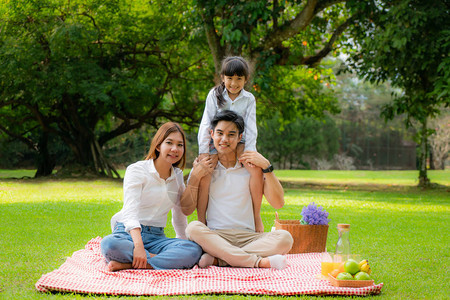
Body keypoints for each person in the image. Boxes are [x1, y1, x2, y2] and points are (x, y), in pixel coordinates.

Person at [182, 110, 293, 270]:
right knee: (192, 228)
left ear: (240, 137)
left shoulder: (251, 168)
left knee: (285, 238)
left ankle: (221, 260)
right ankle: (257, 262)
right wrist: (194, 178)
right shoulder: (205, 168)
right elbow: (186, 209)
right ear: (212, 134)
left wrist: (267, 166)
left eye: (231, 134)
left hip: (249, 236)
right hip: (216, 236)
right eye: (220, 133)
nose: (225, 139)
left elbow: (278, 203)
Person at [100, 122, 202, 271]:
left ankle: (130, 264)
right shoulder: (136, 170)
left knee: (193, 249)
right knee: (109, 244)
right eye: (169, 143)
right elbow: (130, 211)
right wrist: (138, 246)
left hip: (157, 237)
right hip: (128, 234)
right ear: (158, 145)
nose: (175, 149)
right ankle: (155, 261)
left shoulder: (178, 176)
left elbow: (179, 215)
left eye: (180, 145)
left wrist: (182, 243)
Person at [197, 56, 265, 232]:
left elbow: (251, 127)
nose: (234, 83)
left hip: (239, 140)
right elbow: (206, 123)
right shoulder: (215, 95)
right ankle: (201, 221)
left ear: (246, 79)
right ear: (222, 78)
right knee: (206, 172)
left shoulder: (249, 99)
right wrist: (204, 151)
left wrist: (250, 153)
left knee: (255, 170)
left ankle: (256, 217)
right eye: (230, 78)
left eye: (239, 79)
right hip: (217, 140)